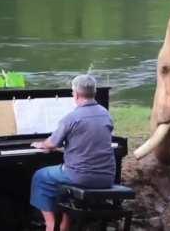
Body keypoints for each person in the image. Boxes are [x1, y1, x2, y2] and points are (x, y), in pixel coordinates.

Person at [30, 74, 115, 231]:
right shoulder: (106, 114)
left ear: (75, 94)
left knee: (40, 176)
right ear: (94, 92)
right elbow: (86, 144)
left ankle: (50, 225)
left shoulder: (72, 117)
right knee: (65, 184)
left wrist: (42, 144)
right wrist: (62, 148)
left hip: (80, 176)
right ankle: (65, 225)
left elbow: (51, 143)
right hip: (106, 177)